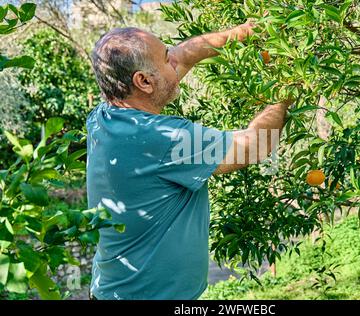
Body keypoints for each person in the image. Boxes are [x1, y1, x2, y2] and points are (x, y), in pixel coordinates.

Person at [87, 22, 294, 300]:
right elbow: (255, 145)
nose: (174, 60)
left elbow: (184, 54)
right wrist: (286, 88)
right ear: (144, 81)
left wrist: (245, 32)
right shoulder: (161, 139)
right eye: (165, 59)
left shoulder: (104, 116)